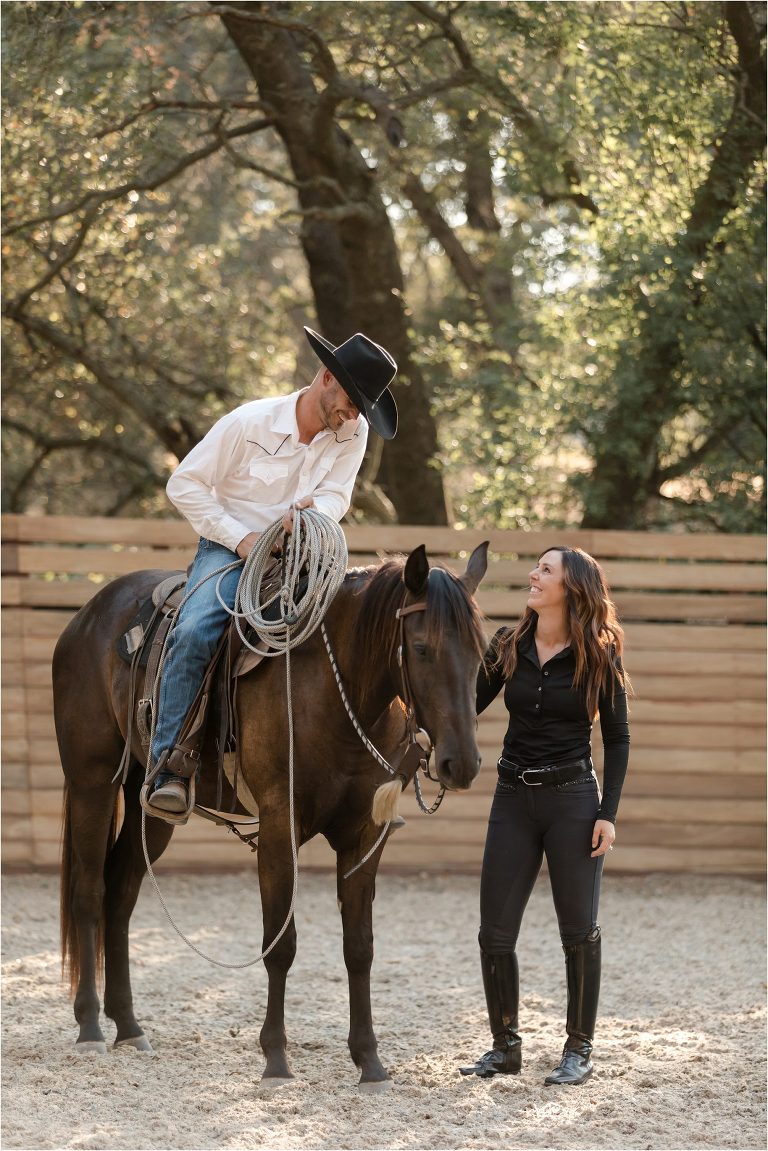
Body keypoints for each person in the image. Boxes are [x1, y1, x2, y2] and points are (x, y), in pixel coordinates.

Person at [144, 326, 398, 821]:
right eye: (349, 403)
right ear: (326, 377)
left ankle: (362, 770)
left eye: (360, 411)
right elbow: (185, 484)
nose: (352, 417)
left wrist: (313, 510)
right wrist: (242, 539)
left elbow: (338, 493)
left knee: (355, 630)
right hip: (231, 545)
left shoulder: (354, 430)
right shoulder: (248, 423)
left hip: (306, 549)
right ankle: (168, 764)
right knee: (196, 630)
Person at [460, 546, 630, 1085]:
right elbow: (464, 706)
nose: (533, 575)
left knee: (579, 931)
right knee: (494, 932)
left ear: (570, 587)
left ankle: (579, 1049)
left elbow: (618, 739)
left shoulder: (600, 653)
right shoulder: (508, 645)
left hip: (574, 801)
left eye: (545, 570)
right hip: (512, 797)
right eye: (536, 567)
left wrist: (607, 814)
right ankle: (505, 1047)